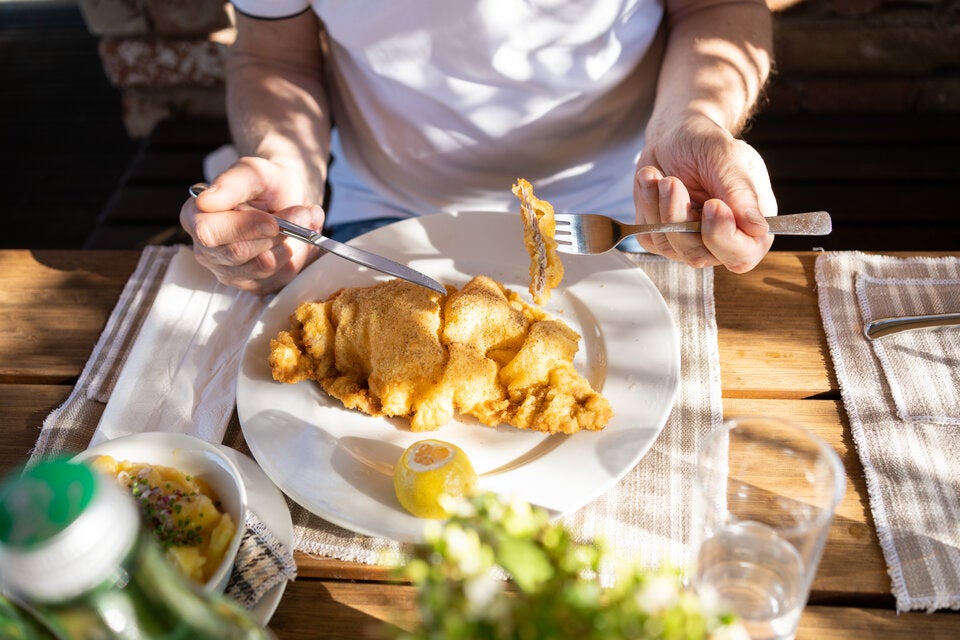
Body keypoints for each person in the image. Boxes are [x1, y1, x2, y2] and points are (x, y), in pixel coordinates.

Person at [181, 0, 776, 295]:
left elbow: (715, 7)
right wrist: (286, 164)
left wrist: (691, 123)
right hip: (382, 215)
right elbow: (274, 52)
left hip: (627, 216)